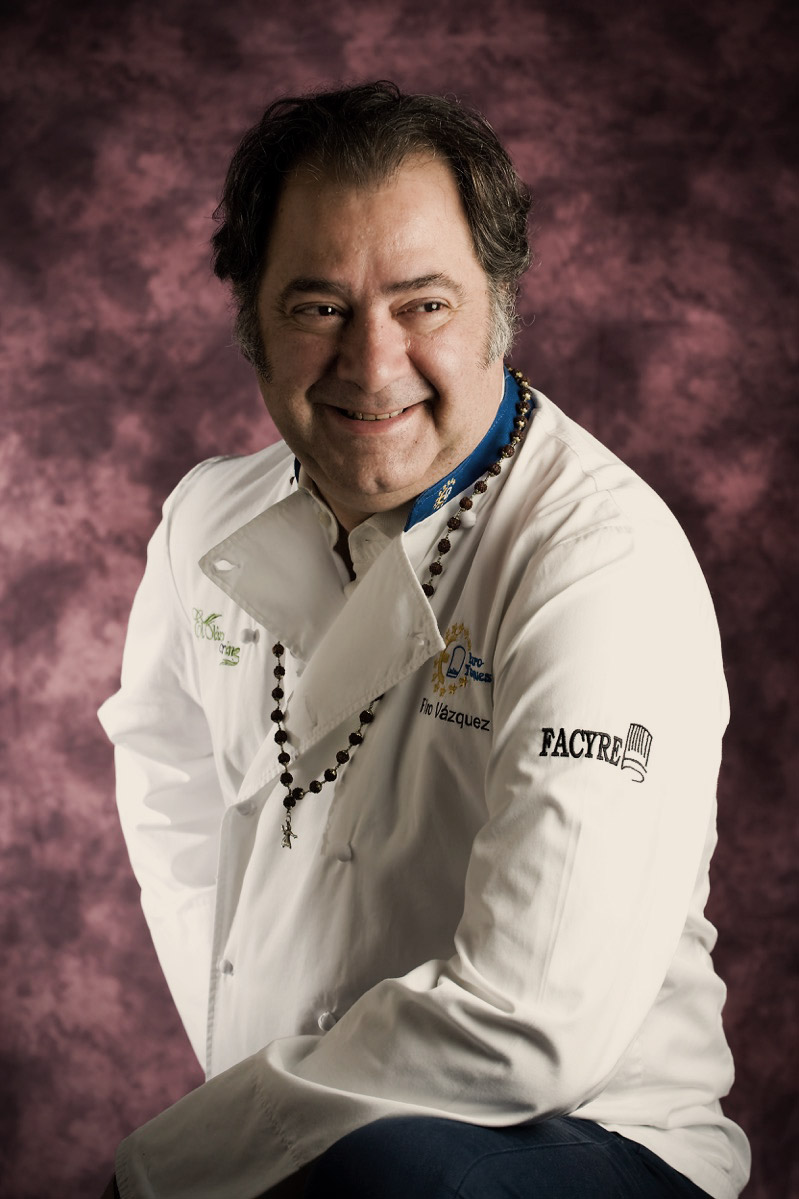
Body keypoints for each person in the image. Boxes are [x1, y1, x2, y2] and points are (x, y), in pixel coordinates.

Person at [98, 82, 750, 1199]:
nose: (372, 361)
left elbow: (531, 1024)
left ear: (499, 306)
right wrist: (258, 1093)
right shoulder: (204, 517)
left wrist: (198, 1151)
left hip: (597, 1137)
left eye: (423, 303)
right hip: (321, 1128)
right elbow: (168, 783)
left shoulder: (597, 564)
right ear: (251, 318)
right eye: (318, 306)